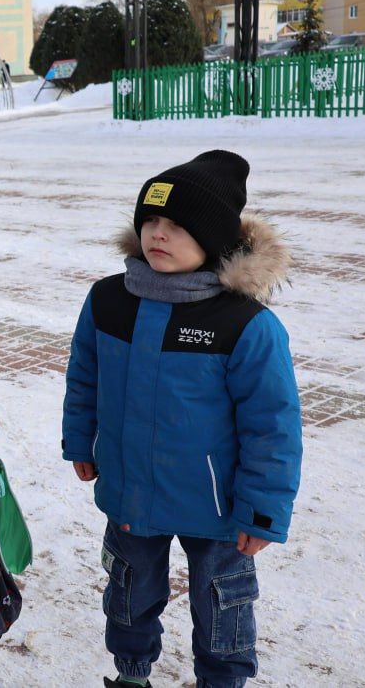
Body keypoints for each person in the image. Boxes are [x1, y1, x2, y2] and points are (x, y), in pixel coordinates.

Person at [62, 150, 302, 688]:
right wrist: (81, 441)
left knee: (222, 605)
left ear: (213, 240)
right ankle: (130, 673)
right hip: (132, 492)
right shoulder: (109, 300)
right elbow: (85, 377)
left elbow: (273, 424)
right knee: (128, 591)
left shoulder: (245, 323)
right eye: (150, 221)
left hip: (217, 507)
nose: (158, 234)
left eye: (176, 225)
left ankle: (222, 680)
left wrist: (263, 510)